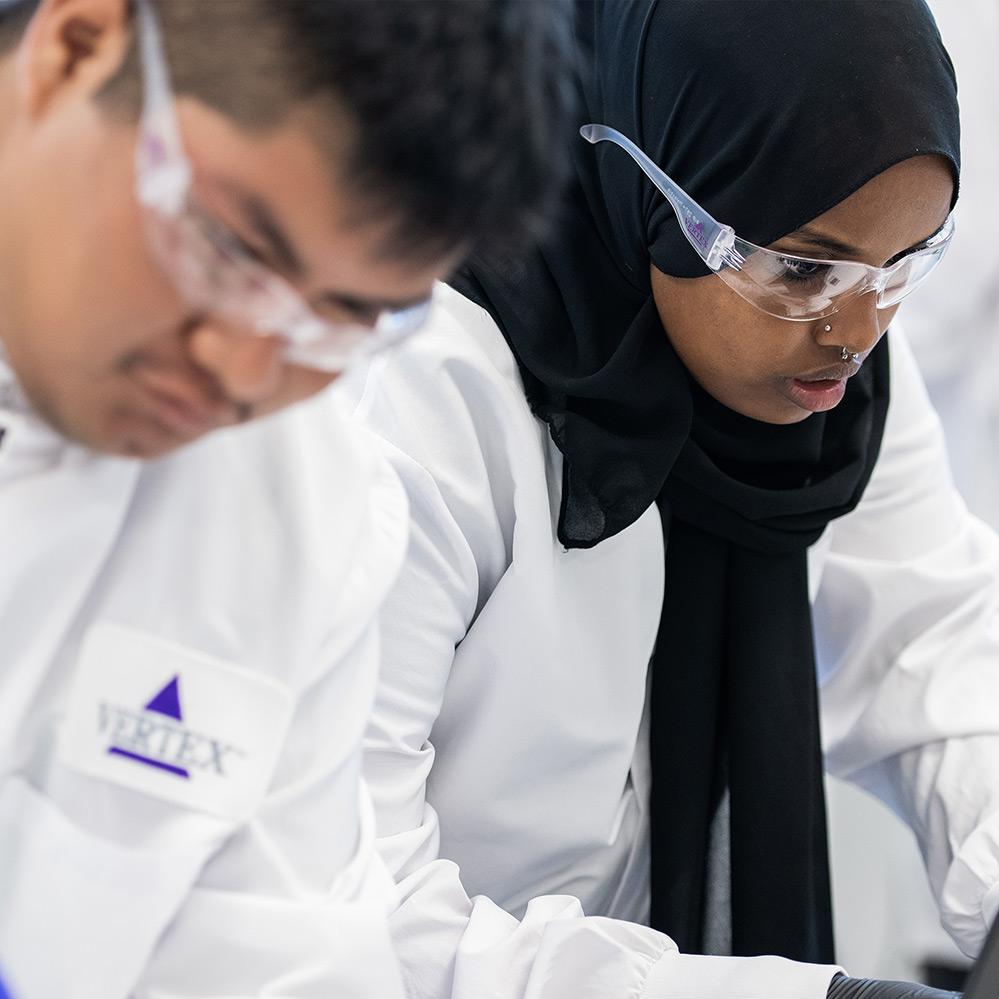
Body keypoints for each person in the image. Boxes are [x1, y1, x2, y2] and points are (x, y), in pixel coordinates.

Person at [343, 2, 999, 998]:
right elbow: (350, 907)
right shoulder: (417, 388)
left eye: (906, 263)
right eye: (806, 266)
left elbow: (933, 641)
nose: (856, 331)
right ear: (654, 182)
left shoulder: (834, 381)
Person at [0, 0, 573, 995]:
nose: (244, 369)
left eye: (341, 317)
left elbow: (276, 957)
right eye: (227, 249)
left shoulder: (307, 510)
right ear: (76, 47)